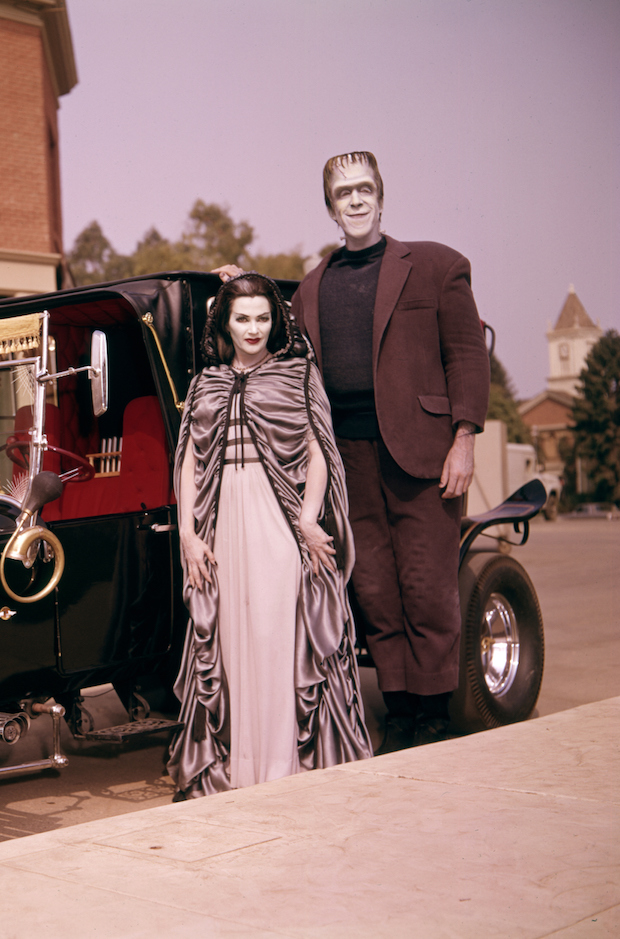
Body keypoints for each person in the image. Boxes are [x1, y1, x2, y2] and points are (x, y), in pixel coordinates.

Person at [222, 151, 490, 750]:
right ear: (330, 207)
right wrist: (240, 286)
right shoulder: (314, 285)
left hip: (423, 453)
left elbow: (467, 355)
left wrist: (465, 436)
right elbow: (279, 350)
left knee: (427, 586)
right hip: (347, 459)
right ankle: (398, 711)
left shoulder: (436, 266)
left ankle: (433, 713)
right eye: (344, 193)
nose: (357, 200)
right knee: (373, 588)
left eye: (365, 188)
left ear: (381, 195)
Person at [167, 272, 372, 800]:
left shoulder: (298, 375)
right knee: (233, 642)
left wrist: (308, 519)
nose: (253, 329)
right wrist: (188, 535)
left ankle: (284, 771)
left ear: (274, 320)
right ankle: (242, 773)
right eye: (243, 319)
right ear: (226, 323)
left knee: (279, 638)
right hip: (222, 528)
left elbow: (319, 450)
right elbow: (189, 461)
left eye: (262, 318)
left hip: (278, 522)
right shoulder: (204, 383)